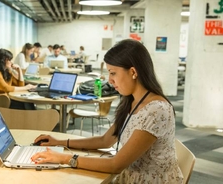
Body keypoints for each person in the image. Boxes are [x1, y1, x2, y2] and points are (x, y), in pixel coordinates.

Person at [31, 39, 183, 183]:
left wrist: (64, 158)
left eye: (113, 73)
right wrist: (60, 142)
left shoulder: (156, 110)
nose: (110, 80)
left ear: (133, 72)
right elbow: (106, 140)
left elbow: (115, 165)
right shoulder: (132, 101)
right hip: (130, 177)